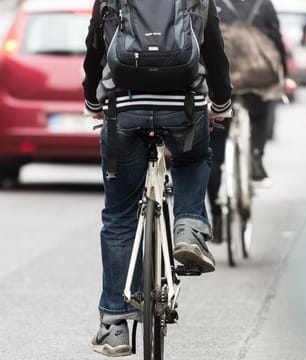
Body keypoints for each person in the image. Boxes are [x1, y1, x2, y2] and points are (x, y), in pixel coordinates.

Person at [82, 0, 232, 356]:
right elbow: (215, 51)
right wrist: (221, 104)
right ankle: (189, 227)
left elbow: (95, 51)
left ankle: (114, 324)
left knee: (119, 216)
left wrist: (92, 100)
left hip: (124, 109)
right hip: (184, 107)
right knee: (193, 159)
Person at [208, 0, 293, 242]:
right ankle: (256, 152)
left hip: (222, 81)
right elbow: (276, 42)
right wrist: (284, 77)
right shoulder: (263, 4)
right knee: (263, 109)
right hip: (257, 78)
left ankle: (216, 216)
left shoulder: (212, 3)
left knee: (214, 154)